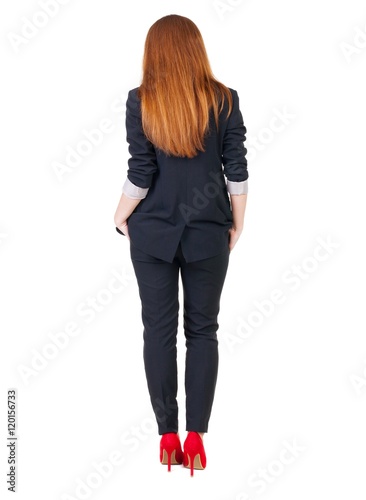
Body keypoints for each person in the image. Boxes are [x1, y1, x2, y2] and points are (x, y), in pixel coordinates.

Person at [113, 14, 248, 476]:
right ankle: (196, 439)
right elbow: (237, 170)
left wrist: (119, 216)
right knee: (204, 331)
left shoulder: (140, 101)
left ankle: (166, 436)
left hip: (152, 233)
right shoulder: (224, 100)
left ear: (155, 52)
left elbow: (140, 172)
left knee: (158, 332)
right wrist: (237, 224)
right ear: (196, 48)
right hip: (210, 231)